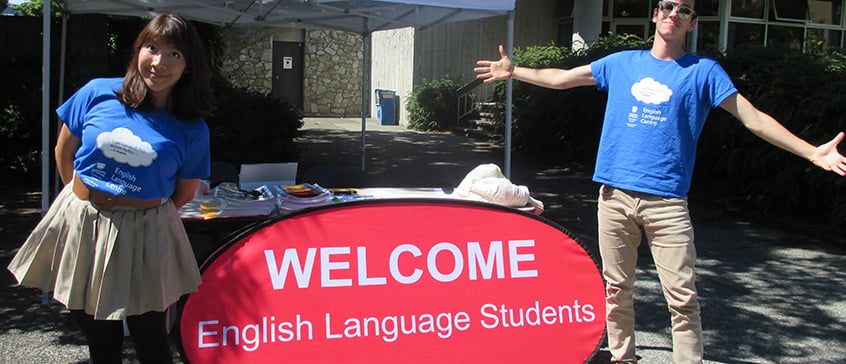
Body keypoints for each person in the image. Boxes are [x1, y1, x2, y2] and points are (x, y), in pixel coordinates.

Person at [475, 1, 846, 363]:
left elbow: (753, 118)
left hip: (667, 203)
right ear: (656, 14)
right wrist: (515, 71)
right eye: (668, 6)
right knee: (617, 288)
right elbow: (562, 79)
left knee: (682, 297)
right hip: (614, 196)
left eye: (683, 10)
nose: (674, 14)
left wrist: (812, 152)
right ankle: (623, 356)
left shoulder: (703, 72)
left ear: (692, 23)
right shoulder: (622, 64)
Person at [7, 13, 212, 363]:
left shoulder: (192, 127)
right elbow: (63, 151)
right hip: (83, 221)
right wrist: (83, 197)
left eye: (175, 54)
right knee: (100, 339)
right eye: (152, 48)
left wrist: (138, 211)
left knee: (151, 339)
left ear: (189, 66)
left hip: (144, 232)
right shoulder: (97, 91)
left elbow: (184, 194)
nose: (159, 63)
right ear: (137, 51)